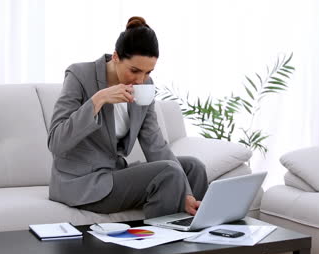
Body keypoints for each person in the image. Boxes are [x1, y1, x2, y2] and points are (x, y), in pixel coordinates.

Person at [47, 16, 208, 218]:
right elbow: (56, 142)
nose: (141, 80)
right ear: (115, 57)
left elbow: (154, 143)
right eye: (134, 70)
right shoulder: (80, 75)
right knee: (170, 173)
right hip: (81, 182)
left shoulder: (145, 87)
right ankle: (156, 245)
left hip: (113, 173)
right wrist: (98, 100)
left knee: (193, 168)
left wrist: (186, 193)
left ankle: (196, 239)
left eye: (148, 72)